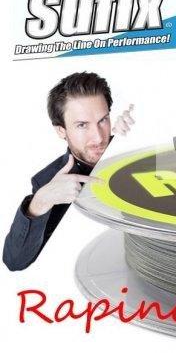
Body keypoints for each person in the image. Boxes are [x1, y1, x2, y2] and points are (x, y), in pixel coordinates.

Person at [2, 72, 134, 271]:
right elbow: (15, 261)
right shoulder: (48, 182)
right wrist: (40, 202)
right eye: (82, 125)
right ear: (61, 131)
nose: (98, 137)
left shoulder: (127, 144)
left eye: (102, 120)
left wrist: (137, 135)